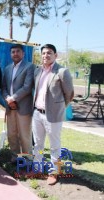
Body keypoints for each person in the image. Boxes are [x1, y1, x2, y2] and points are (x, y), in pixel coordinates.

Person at [32, 44, 74, 185]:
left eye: (49, 53)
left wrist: (60, 107)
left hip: (53, 115)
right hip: (37, 113)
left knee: (54, 145)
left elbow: (69, 94)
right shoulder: (38, 71)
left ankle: (53, 172)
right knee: (38, 143)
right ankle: (37, 168)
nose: (45, 55)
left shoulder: (62, 71)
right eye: (43, 53)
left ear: (55, 55)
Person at [2, 44, 35, 163]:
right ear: (10, 54)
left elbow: (27, 87)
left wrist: (13, 99)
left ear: (23, 53)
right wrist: (8, 99)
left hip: (23, 106)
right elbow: (4, 87)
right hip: (10, 107)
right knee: (11, 133)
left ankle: (28, 158)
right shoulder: (7, 68)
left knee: (24, 135)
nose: (15, 54)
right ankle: (15, 156)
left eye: (18, 51)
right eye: (13, 52)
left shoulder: (30, 66)